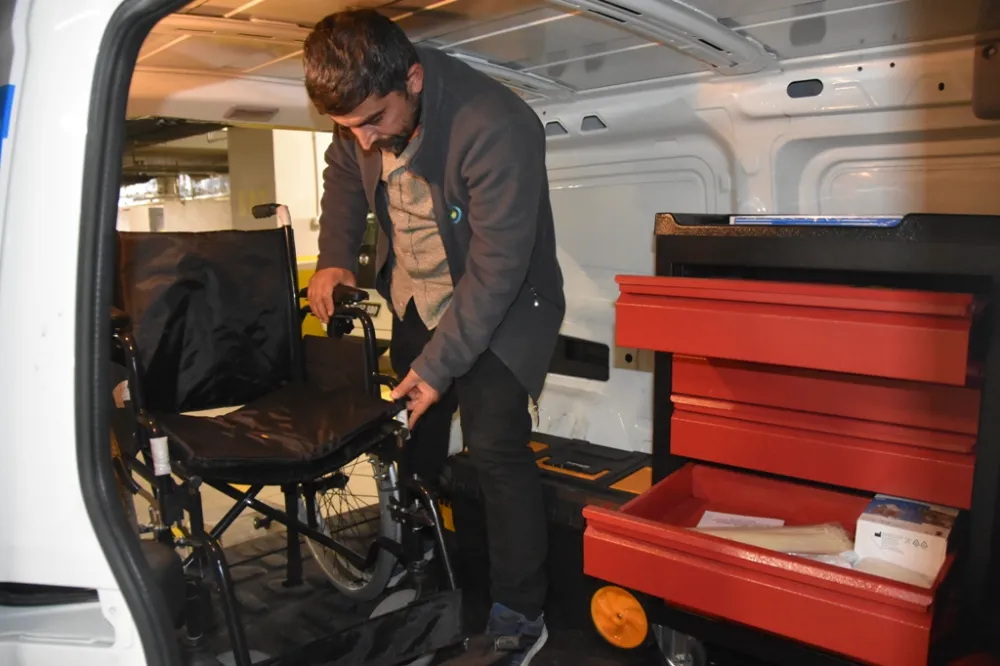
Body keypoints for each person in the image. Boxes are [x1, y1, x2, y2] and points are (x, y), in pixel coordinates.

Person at [302, 9, 565, 666]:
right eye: (349, 126)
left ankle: (520, 615)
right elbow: (344, 173)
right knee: (412, 441)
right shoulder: (361, 115)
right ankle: (421, 565)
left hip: (500, 307)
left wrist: (439, 365)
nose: (363, 139)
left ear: (413, 79)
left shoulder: (496, 123)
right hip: (415, 297)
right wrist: (335, 255)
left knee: (496, 451)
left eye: (373, 121)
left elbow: (496, 270)